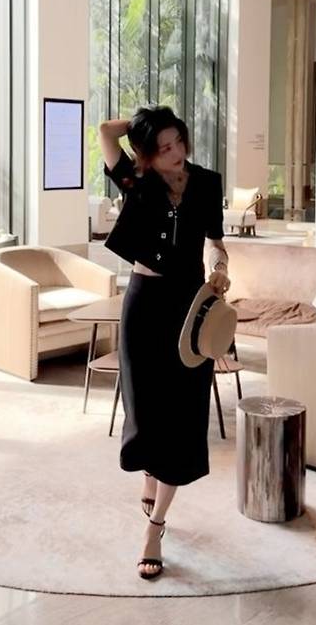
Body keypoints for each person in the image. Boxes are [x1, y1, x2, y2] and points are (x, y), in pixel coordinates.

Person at [99, 105, 230, 580]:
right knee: (144, 407)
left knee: (182, 416)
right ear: (148, 154)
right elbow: (106, 132)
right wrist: (147, 120)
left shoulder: (207, 183)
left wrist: (220, 265)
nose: (175, 153)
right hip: (142, 304)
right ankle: (150, 473)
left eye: (179, 142)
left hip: (188, 307)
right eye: (164, 147)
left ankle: (155, 528)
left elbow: (215, 241)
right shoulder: (137, 179)